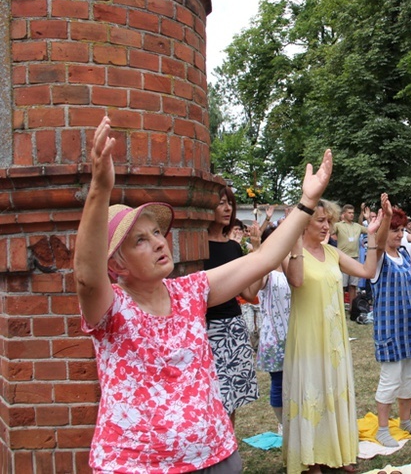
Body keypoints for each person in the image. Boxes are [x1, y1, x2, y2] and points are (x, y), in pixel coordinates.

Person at [74, 115, 332, 473]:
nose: (159, 242)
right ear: (116, 264)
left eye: (156, 233)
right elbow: (86, 278)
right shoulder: (112, 310)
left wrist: (306, 202)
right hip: (138, 464)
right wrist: (100, 189)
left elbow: (264, 258)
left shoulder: (189, 291)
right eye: (140, 240)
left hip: (215, 455)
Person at [282, 199, 383, 474]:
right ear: (304, 223)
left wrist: (371, 235)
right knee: (312, 390)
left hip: (334, 337)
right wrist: (294, 243)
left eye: (329, 220)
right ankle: (312, 458)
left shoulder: (333, 252)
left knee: (334, 390)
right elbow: (298, 280)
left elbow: (367, 271)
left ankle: (339, 452)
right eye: (320, 220)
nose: (327, 225)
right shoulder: (291, 253)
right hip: (308, 335)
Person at [368, 194, 411, 448]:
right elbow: (378, 245)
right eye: (393, 230)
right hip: (390, 330)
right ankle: (381, 428)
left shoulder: (405, 252)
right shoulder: (378, 259)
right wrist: (386, 216)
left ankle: (404, 420)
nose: (399, 234)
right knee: (390, 380)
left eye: (401, 229)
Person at [205, 187, 259, 423]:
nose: (227, 208)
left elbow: (249, 292)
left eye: (229, 203)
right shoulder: (196, 247)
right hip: (207, 329)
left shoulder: (234, 248)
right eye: (220, 203)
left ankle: (230, 452)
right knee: (212, 397)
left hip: (234, 327)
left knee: (233, 397)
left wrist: (256, 252)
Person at [246, 225, 292, 435]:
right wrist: (256, 253)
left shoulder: (294, 265)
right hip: (275, 336)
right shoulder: (267, 269)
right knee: (279, 383)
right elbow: (253, 289)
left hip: (297, 334)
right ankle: (282, 423)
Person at [331, 204, 368, 306]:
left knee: (353, 285)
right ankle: (340, 307)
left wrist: (368, 219)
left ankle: (353, 308)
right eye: (349, 213)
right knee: (341, 285)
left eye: (352, 213)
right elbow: (329, 232)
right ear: (344, 214)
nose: (352, 215)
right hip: (342, 258)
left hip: (355, 258)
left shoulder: (357, 226)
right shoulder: (338, 225)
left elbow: (370, 230)